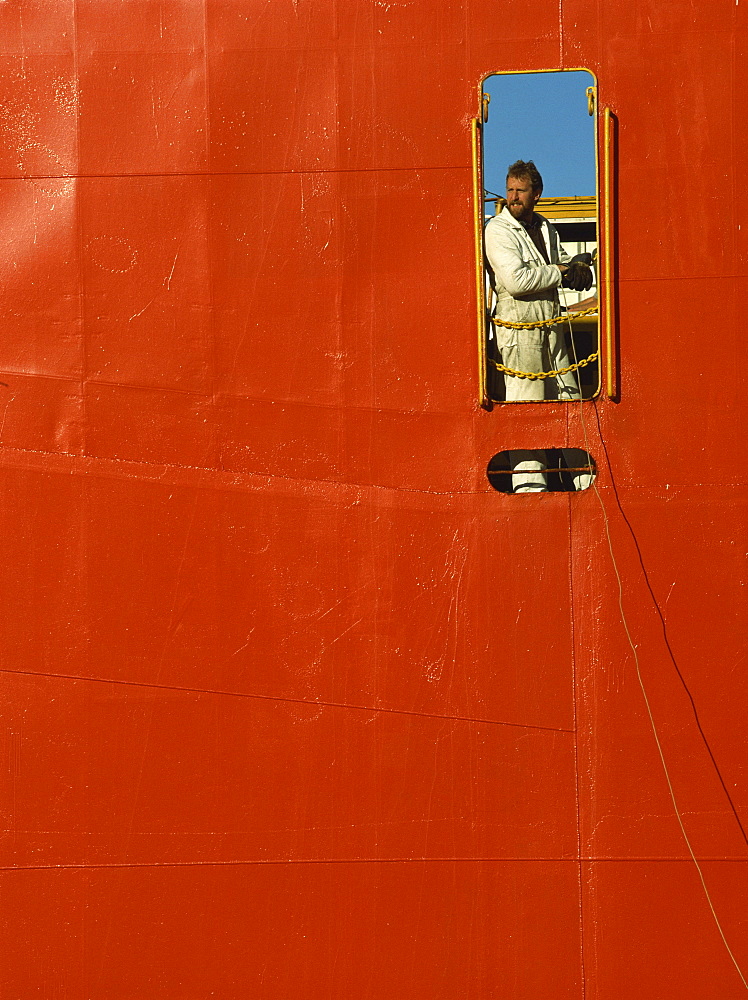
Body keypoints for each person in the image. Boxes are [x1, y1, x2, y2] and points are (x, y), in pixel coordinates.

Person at [484, 160, 593, 492]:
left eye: (521, 190)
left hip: (551, 330)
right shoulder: (497, 230)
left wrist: (578, 269)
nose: (514, 197)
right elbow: (516, 281)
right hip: (518, 335)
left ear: (537, 194)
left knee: (570, 402)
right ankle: (531, 490)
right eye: (510, 190)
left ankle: (583, 482)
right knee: (527, 411)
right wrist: (561, 271)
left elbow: (559, 260)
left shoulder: (545, 227)